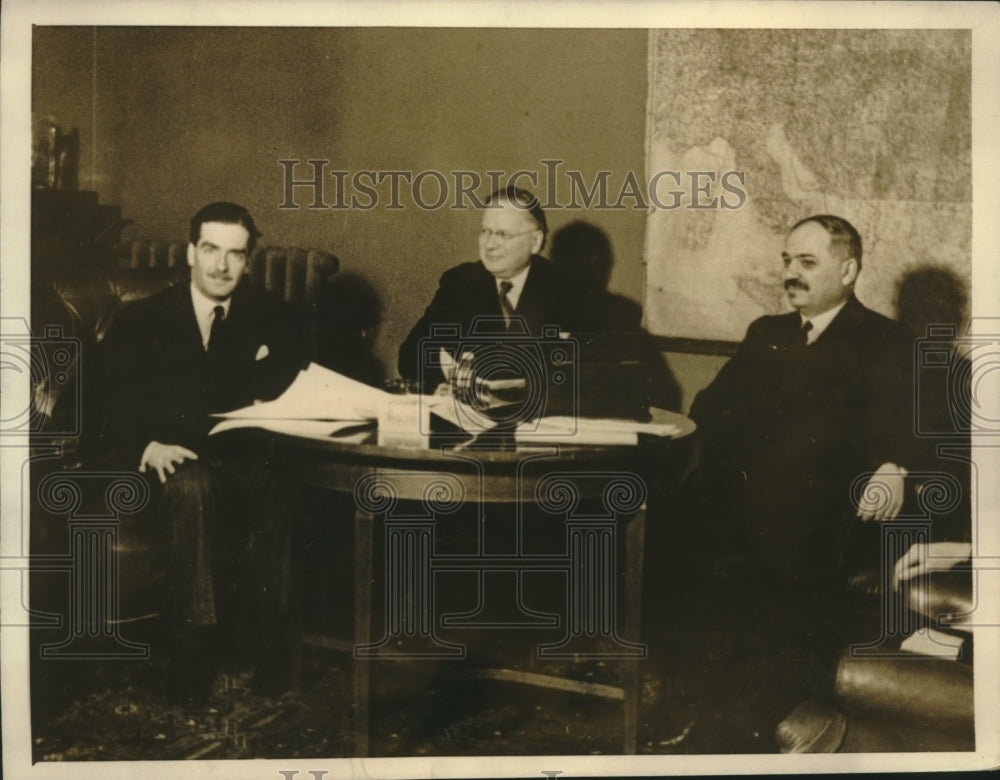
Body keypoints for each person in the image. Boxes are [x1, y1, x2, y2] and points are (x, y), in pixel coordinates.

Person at [661, 215, 918, 751]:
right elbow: (710, 408)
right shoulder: (767, 334)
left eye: (807, 262)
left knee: (771, 585)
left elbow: (908, 425)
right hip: (743, 504)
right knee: (665, 531)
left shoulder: (884, 341)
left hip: (822, 517)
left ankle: (727, 729)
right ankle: (680, 702)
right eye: (786, 261)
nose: (790, 274)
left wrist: (894, 466)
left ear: (848, 270)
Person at [98, 201, 307, 704]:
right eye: (211, 250)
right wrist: (146, 446)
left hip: (235, 456)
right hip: (158, 462)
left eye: (236, 254)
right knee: (192, 485)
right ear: (191, 251)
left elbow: (289, 383)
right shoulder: (142, 318)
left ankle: (269, 648)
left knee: (282, 481)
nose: (221, 266)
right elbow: (98, 405)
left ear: (249, 260)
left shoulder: (268, 313)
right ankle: (192, 654)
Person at [397, 185, 561, 399]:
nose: (489, 244)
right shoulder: (460, 283)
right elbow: (411, 354)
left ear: (535, 241)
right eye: (485, 231)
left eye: (502, 234)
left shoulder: (562, 288)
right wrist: (438, 385)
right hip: (469, 418)